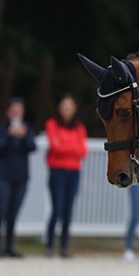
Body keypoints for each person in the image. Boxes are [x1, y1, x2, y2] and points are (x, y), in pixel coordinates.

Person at [0, 97, 37, 258]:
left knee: (13, 213)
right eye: (14, 109)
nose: (17, 112)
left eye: (19, 109)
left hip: (21, 177)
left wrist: (23, 136)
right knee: (1, 211)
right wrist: (10, 135)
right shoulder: (2, 129)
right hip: (2, 177)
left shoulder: (27, 129)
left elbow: (32, 147)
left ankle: (9, 246)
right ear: (8, 111)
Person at [44, 94, 88, 258]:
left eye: (69, 107)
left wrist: (65, 147)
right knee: (57, 208)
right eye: (64, 107)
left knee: (68, 210)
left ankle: (64, 246)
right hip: (57, 171)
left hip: (74, 172)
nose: (66, 110)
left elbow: (83, 151)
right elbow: (56, 148)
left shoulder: (79, 128)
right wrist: (72, 148)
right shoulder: (52, 124)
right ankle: (49, 244)